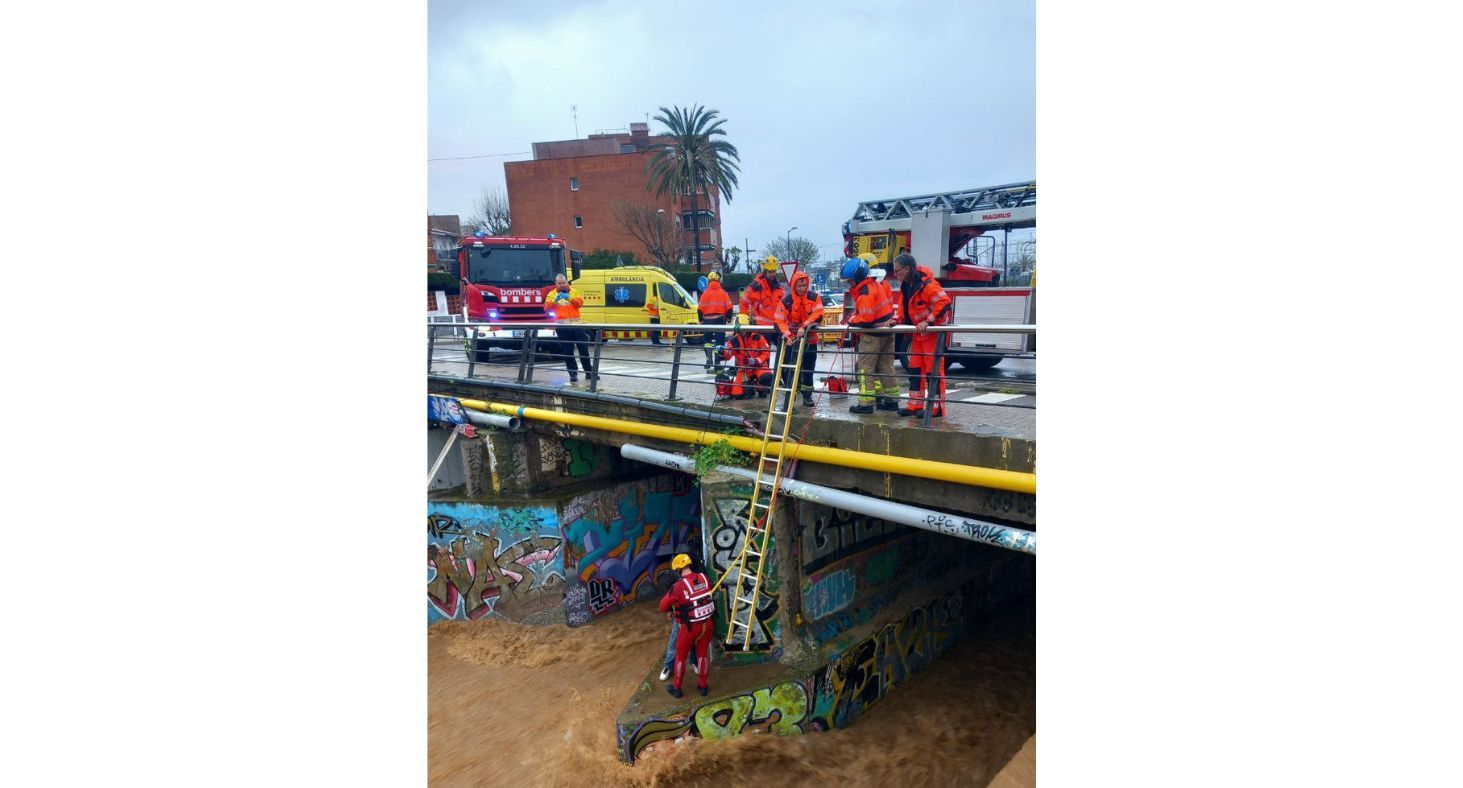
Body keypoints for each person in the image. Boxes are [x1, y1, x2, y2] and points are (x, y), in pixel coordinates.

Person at [890, 253, 952, 418]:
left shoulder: (927, 285)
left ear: (907, 269)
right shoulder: (906, 286)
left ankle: (936, 408)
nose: (895, 275)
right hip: (918, 334)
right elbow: (904, 309)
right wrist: (896, 319)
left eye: (897, 271)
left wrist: (929, 321)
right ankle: (914, 405)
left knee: (934, 372)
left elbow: (944, 303)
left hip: (931, 333)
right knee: (915, 370)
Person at [841, 254, 900, 414]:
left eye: (850, 280)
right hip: (886, 333)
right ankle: (892, 401)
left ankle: (866, 404)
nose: (849, 284)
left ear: (857, 278)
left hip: (872, 336)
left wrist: (851, 318)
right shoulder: (878, 284)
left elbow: (865, 320)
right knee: (886, 367)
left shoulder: (865, 292)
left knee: (865, 368)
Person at [659, 552, 715, 697]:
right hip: (707, 624)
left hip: (689, 628)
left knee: (680, 657)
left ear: (678, 570)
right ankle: (703, 686)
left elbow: (663, 606)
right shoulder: (704, 578)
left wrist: (676, 603)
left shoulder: (678, 586)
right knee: (702, 655)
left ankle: (677, 688)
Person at [774, 270, 824, 407]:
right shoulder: (787, 301)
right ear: (794, 286)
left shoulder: (814, 297)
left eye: (804, 285)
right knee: (790, 370)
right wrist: (787, 336)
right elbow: (779, 321)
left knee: (808, 369)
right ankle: (791, 395)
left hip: (810, 341)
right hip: (793, 342)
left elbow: (818, 315)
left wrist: (804, 326)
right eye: (799, 286)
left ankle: (807, 396)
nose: (802, 288)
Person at [543, 274, 595, 383]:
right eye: (559, 283)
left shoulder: (574, 291)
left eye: (563, 283)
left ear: (567, 282)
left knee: (583, 349)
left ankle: (589, 373)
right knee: (567, 351)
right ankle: (572, 373)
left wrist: (570, 298)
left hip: (576, 325)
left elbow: (580, 304)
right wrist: (554, 301)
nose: (562, 285)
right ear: (556, 284)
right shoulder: (551, 294)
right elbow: (546, 308)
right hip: (562, 327)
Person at [715, 314, 773, 400]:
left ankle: (759, 387)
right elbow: (728, 355)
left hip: (759, 367)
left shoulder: (758, 337)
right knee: (738, 395)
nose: (742, 331)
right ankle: (750, 388)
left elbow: (766, 353)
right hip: (744, 369)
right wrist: (722, 351)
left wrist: (756, 360)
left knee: (767, 377)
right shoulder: (734, 341)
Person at [746, 257, 786, 353]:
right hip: (762, 327)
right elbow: (744, 302)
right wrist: (745, 317)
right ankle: (764, 369)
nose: (772, 274)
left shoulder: (778, 287)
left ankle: (779, 369)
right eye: (770, 272)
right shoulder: (756, 286)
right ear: (765, 271)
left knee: (783, 353)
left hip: (777, 326)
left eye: (773, 271)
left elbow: (784, 306)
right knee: (763, 354)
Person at [697, 271, 734, 372]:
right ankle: (717, 363)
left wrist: (701, 321)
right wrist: (729, 319)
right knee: (719, 342)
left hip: (707, 321)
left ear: (709, 281)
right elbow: (729, 308)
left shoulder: (705, 293)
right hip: (719, 320)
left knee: (707, 341)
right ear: (718, 280)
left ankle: (709, 359)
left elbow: (699, 309)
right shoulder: (723, 292)